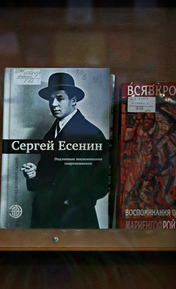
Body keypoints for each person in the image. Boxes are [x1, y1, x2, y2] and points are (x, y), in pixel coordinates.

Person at [20, 72, 110, 228]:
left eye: (60, 98)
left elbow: (102, 181)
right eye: (51, 99)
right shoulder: (49, 135)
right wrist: (35, 174)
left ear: (73, 101)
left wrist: (74, 200)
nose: (53, 104)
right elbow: (49, 177)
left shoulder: (91, 134)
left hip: (75, 219)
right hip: (46, 218)